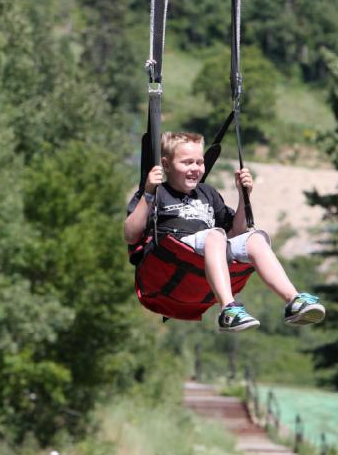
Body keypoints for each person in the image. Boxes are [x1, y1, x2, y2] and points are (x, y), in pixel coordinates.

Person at [124, 131, 326, 332]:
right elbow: (131, 235)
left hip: (206, 255)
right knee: (215, 235)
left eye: (199, 162)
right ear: (166, 165)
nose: (195, 169)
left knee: (255, 238)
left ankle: (294, 301)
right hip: (173, 256)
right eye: (187, 163)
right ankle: (229, 309)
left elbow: (237, 232)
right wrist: (149, 192)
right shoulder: (159, 193)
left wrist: (243, 195)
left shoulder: (208, 193)